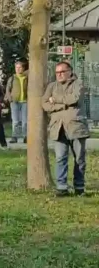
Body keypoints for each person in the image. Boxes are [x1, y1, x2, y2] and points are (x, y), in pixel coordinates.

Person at [43, 61, 89, 197]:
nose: (59, 75)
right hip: (58, 127)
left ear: (70, 71)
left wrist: (55, 99)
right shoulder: (51, 86)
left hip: (76, 127)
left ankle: (79, 187)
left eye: (62, 72)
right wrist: (60, 106)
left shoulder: (78, 84)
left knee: (79, 159)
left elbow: (74, 99)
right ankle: (62, 187)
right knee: (60, 158)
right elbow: (45, 103)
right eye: (57, 72)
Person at [5, 61, 28, 144]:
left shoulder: (26, 77)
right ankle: (15, 137)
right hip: (14, 101)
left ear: (23, 68)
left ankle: (25, 136)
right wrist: (9, 98)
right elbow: (7, 89)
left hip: (25, 101)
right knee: (15, 120)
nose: (18, 69)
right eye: (16, 67)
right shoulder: (12, 78)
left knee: (25, 120)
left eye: (20, 67)